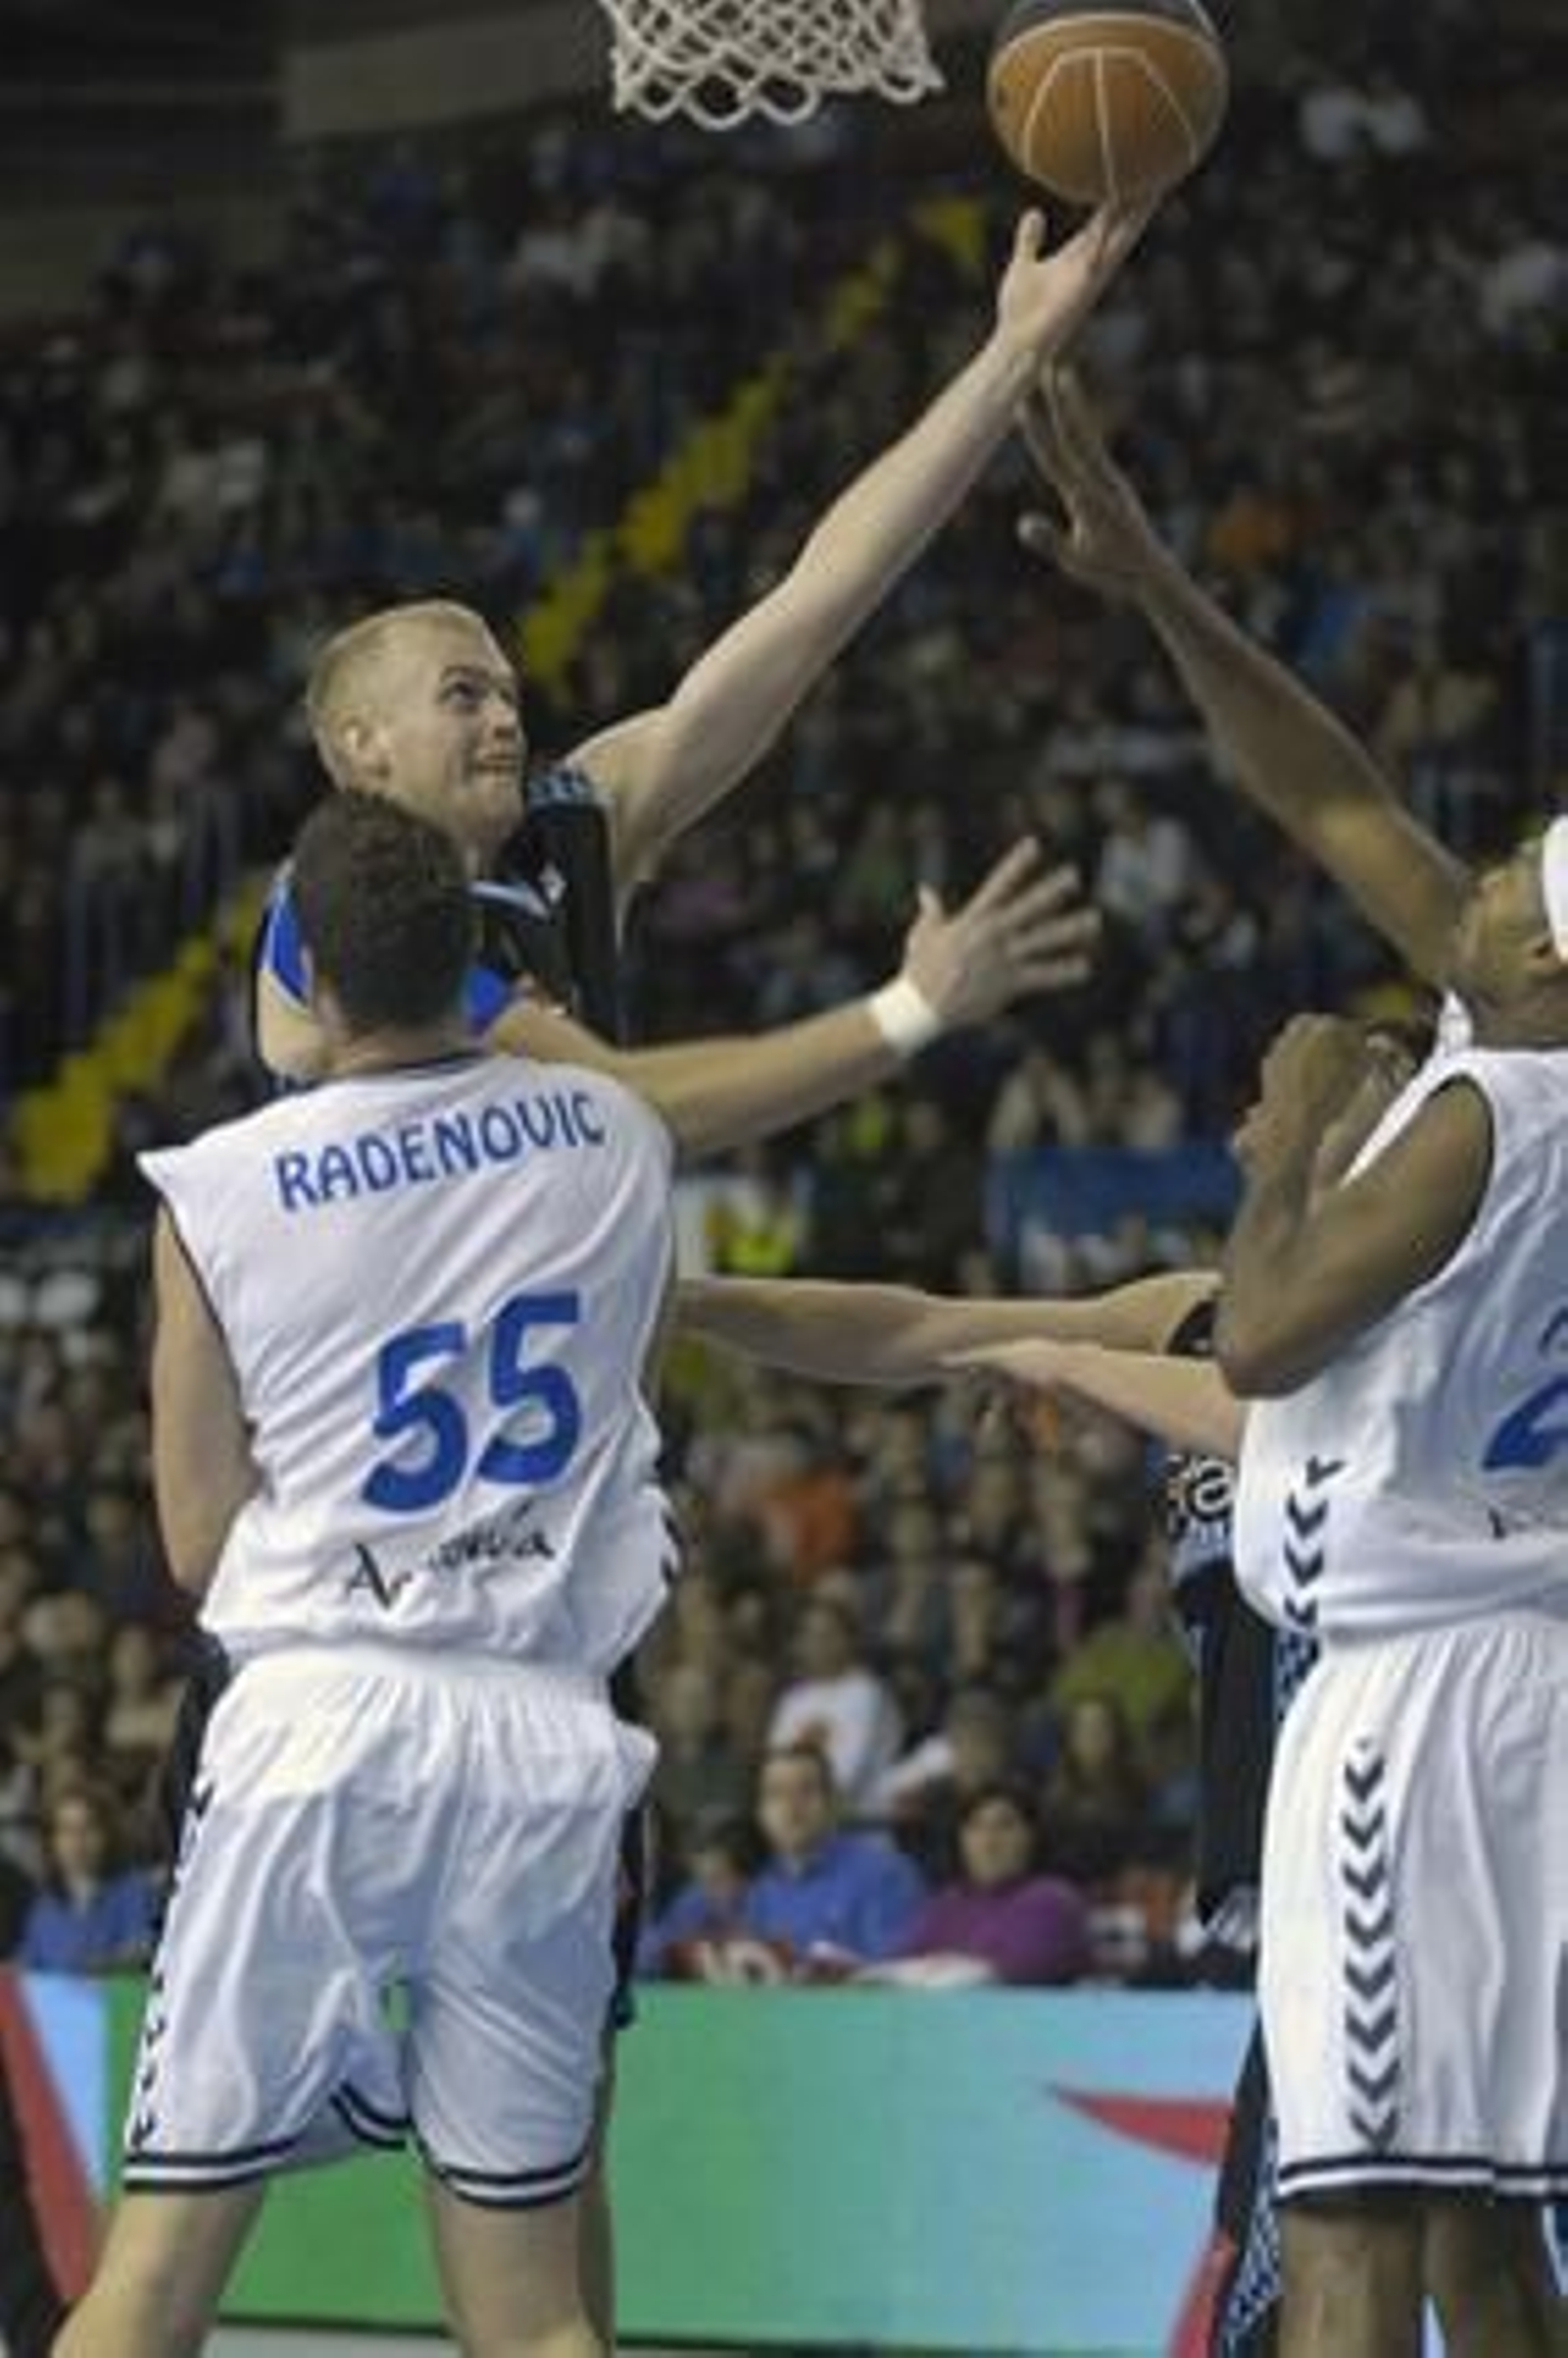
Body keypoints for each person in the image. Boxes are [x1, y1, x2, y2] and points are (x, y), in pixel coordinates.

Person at [1020, 366, 1568, 2356]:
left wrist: (1284, 1137)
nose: (1474, 876)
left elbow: (1253, 1335)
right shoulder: (1533, 1038)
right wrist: (1158, 582)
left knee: (1339, 2226)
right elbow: (1321, 788)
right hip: (1531, 1670)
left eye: (1511, 878)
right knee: (1481, 2234)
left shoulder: (1489, 1109)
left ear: (1543, 969)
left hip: (1407, 1701)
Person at [59, 791, 684, 2358]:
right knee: (538, 2314)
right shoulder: (623, 1138)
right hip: (547, 1735)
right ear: (474, 957)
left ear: (307, 971)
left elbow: (200, 1542)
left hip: (323, 1721)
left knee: (156, 2275)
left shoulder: (218, 1186)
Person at [892, 1782, 1090, 1987]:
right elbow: (900, 1965)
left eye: (1005, 1826)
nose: (988, 1842)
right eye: (975, 1827)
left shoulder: (1053, 1902)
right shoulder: (947, 1903)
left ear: (1033, 1836)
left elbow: (1010, 1976)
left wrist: (933, 1970)